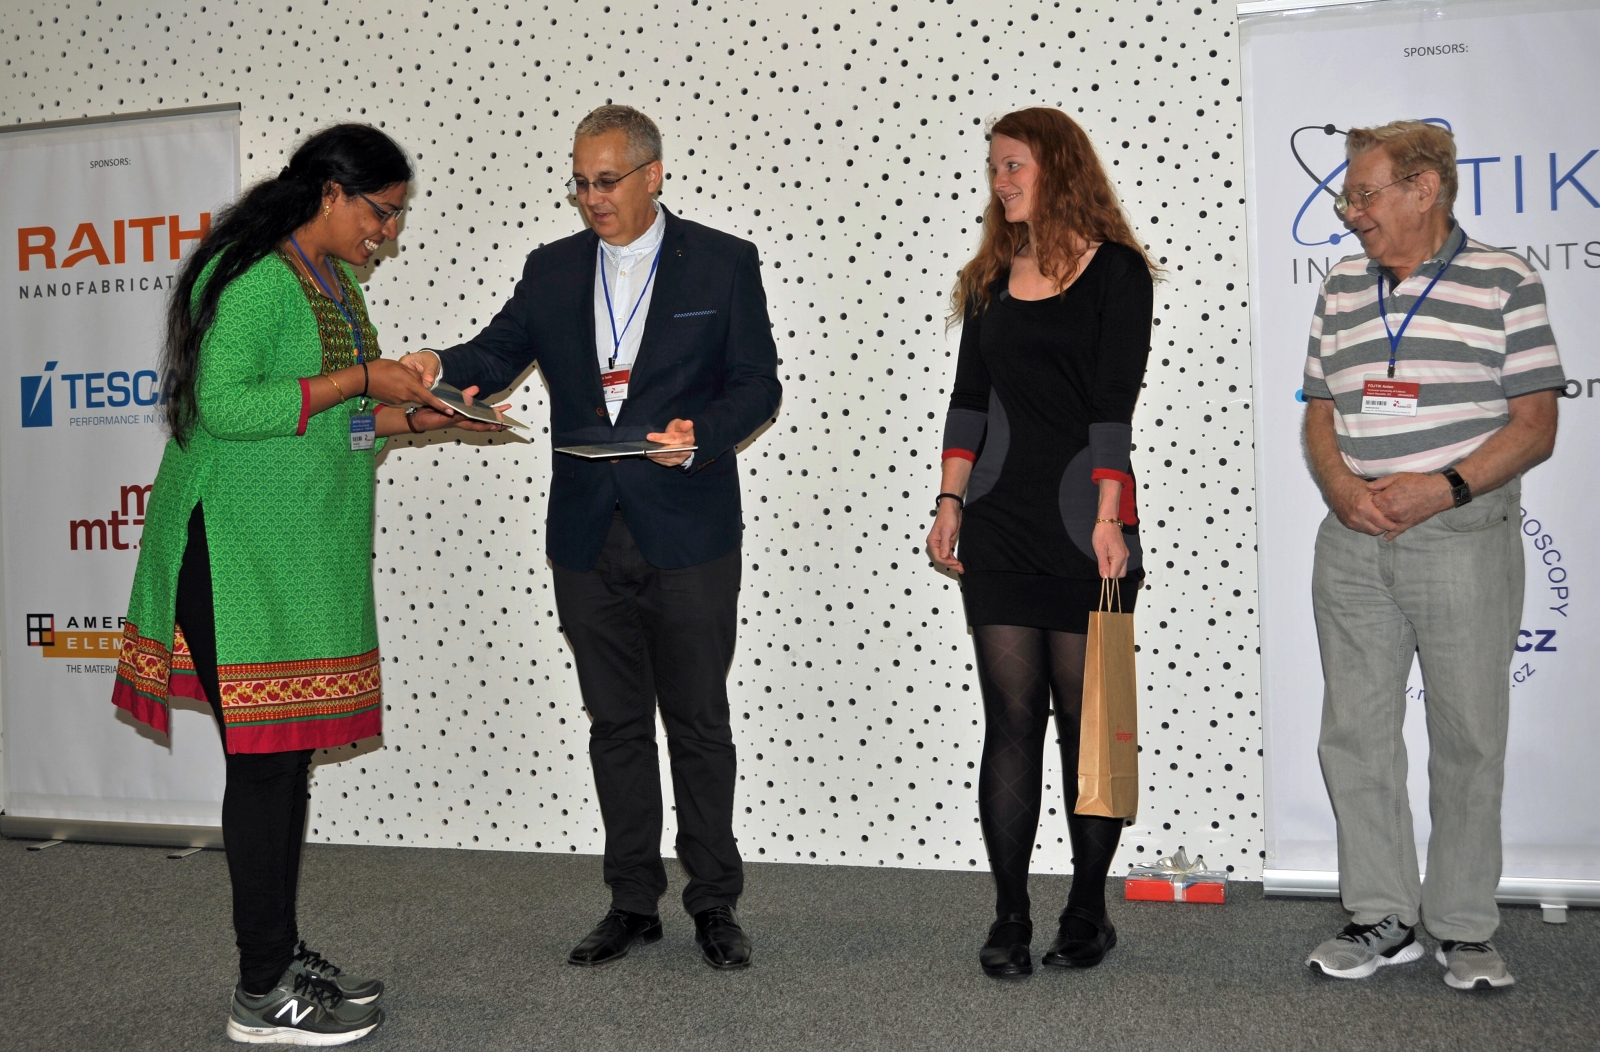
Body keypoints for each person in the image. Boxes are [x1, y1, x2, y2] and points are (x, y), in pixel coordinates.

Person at [112, 124, 501, 1045]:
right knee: (264, 765)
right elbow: (223, 406)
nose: (387, 233)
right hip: (232, 549)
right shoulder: (251, 274)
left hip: (294, 555)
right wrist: (363, 376)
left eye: (396, 217)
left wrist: (429, 418)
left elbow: (349, 424)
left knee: (285, 759)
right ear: (331, 193)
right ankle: (259, 994)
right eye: (382, 212)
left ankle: (278, 957)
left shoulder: (338, 286)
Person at [399, 105, 781, 970]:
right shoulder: (552, 269)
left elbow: (758, 384)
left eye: (606, 180)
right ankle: (631, 902)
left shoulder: (722, 262)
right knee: (615, 724)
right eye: (578, 182)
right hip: (584, 531)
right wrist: (437, 364)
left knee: (698, 722)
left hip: (688, 528)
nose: (591, 197)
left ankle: (715, 903)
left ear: (653, 175)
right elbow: (496, 353)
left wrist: (703, 434)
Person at [1300, 121, 1563, 990]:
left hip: (1461, 534)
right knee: (1354, 734)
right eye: (1347, 197)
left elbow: (1536, 425)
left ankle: (1464, 927)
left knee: (1469, 737)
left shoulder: (1505, 279)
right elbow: (1319, 409)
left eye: (1364, 194)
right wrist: (1341, 487)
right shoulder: (1341, 285)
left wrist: (1443, 488)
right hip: (1353, 536)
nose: (1351, 212)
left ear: (1425, 188)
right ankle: (1381, 915)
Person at [926, 107, 1156, 979]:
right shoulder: (990, 276)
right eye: (994, 165)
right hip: (999, 521)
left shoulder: (1117, 272)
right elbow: (968, 401)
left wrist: (1108, 516)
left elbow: (1113, 406)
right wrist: (950, 501)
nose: (1001, 179)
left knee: (1088, 728)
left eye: (1015, 164)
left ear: (1058, 167)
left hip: (1083, 521)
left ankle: (1088, 909)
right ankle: (1011, 914)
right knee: (1011, 722)